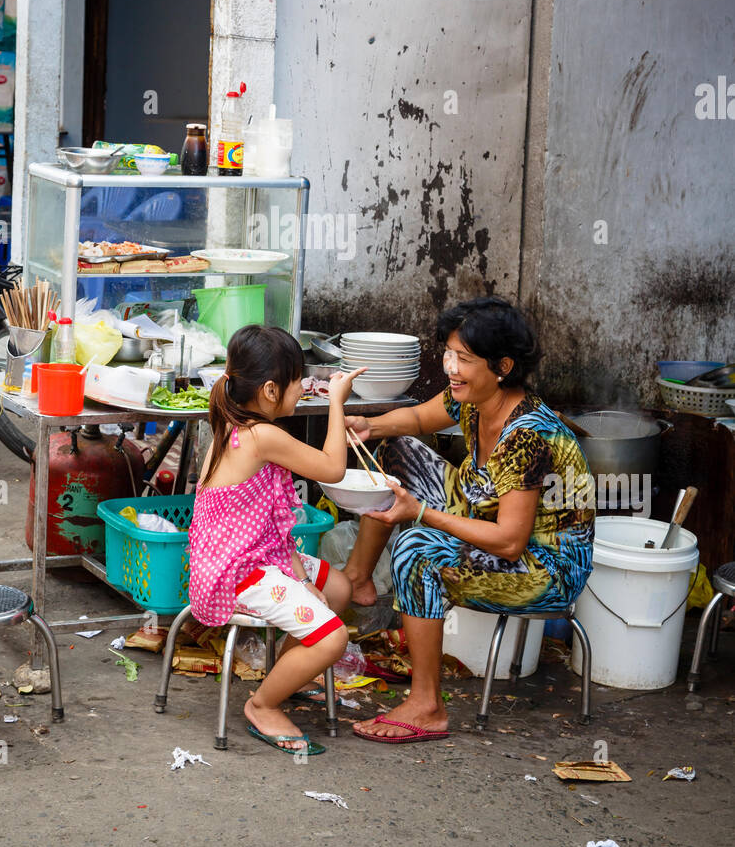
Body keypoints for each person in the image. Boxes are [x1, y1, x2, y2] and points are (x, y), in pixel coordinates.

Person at [343, 297, 595, 744]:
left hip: (541, 565)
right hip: (484, 508)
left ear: (503, 366)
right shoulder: (475, 398)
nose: (451, 368)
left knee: (416, 551)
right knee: (394, 453)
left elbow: (510, 542)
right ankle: (358, 579)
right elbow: (420, 416)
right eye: (449, 354)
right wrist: (369, 426)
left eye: (464, 359)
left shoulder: (528, 436)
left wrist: (421, 514)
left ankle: (428, 706)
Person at [189, 324, 364, 757]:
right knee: (333, 638)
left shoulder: (239, 422)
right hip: (237, 570)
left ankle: (288, 676)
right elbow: (332, 469)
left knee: (338, 588)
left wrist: (300, 574)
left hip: (256, 551)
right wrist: (337, 403)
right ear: (269, 390)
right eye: (298, 381)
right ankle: (263, 704)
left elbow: (273, 523)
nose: (305, 387)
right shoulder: (260, 435)